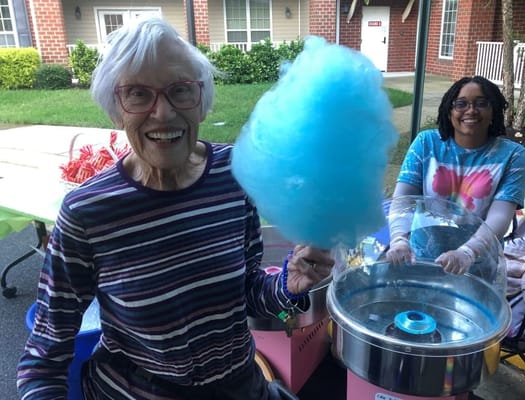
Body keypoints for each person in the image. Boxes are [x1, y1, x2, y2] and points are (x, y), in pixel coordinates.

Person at [17, 17, 334, 400]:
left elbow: (247, 293)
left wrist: (288, 287)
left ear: (201, 101)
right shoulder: (88, 213)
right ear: (116, 109)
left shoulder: (235, 175)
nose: (163, 113)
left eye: (181, 90)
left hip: (239, 387)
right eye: (137, 93)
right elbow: (45, 355)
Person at [386, 75, 525, 276]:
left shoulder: (513, 155)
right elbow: (403, 200)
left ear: (493, 110)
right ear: (449, 110)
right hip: (420, 258)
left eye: (481, 103)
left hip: (476, 265)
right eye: (461, 104)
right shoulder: (426, 143)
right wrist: (399, 240)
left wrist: (467, 253)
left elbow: (500, 215)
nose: (471, 110)